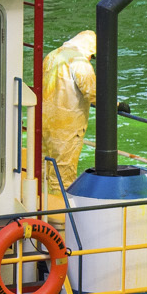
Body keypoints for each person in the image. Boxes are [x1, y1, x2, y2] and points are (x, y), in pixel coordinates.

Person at [40, 30, 97, 199]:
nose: (91, 59)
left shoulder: (51, 56)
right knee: (63, 176)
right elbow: (93, 93)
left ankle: (42, 208)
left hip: (45, 123)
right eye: (92, 56)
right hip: (67, 127)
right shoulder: (79, 62)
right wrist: (116, 105)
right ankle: (61, 217)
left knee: (44, 171)